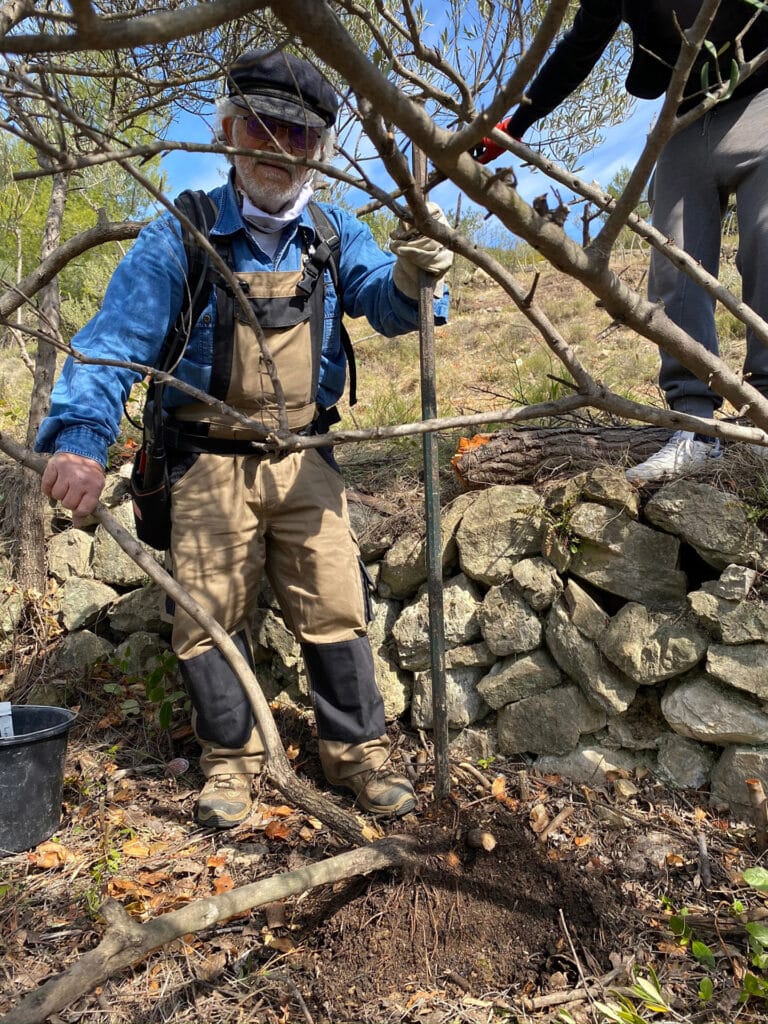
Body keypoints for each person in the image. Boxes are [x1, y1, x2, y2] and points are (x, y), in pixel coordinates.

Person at [36, 49, 452, 829]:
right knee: (208, 617)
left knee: (336, 606)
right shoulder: (180, 237)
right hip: (205, 464)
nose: (278, 149)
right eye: (262, 127)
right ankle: (231, 764)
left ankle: (358, 756)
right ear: (227, 131)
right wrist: (80, 441)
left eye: (299, 137)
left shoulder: (335, 233)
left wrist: (412, 279)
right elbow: (111, 344)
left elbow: (392, 308)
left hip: (305, 463)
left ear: (319, 151)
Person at [475, 0, 768, 483]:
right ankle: (695, 429)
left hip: (762, 93)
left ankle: (763, 419)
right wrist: (515, 124)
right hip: (688, 114)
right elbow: (581, 45)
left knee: (764, 243)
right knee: (673, 263)